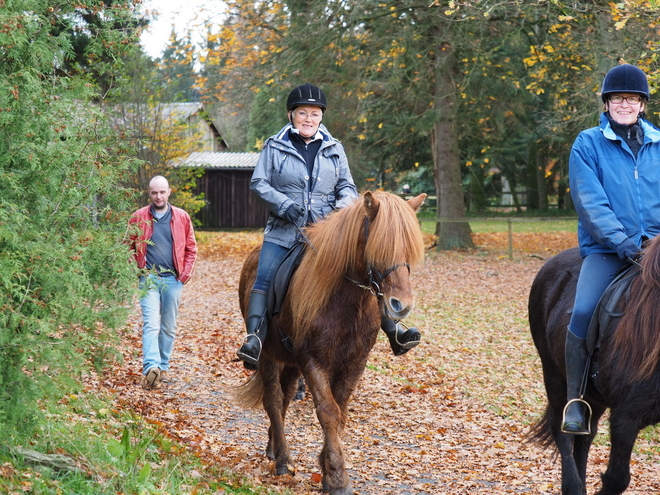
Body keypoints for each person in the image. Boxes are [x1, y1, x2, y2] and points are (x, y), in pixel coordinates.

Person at [236, 83, 422, 369]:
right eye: (302, 113)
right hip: (286, 229)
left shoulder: (335, 148)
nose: (308, 119)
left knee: (366, 268)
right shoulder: (274, 146)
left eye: (314, 113)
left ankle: (393, 328)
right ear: (291, 115)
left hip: (328, 230)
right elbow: (259, 183)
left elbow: (347, 185)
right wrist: (286, 206)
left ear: (321, 117)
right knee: (264, 276)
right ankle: (255, 339)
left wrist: (340, 212)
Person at [565, 63, 660, 434]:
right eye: (618, 98)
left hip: (657, 248)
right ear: (607, 104)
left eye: (632, 98)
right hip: (607, 250)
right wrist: (624, 243)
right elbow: (590, 202)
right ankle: (576, 400)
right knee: (584, 310)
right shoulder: (587, 143)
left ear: (642, 104)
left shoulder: (659, 143)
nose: (625, 103)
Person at [129, 176, 197, 389]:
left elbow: (191, 248)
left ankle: (163, 366)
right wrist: (137, 271)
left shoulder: (182, 217)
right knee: (151, 323)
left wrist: (184, 275)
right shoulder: (138, 217)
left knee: (168, 327)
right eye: (154, 192)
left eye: (162, 192)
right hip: (149, 278)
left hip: (173, 279)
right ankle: (151, 367)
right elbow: (127, 247)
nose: (158, 196)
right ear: (149, 193)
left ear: (169, 192)